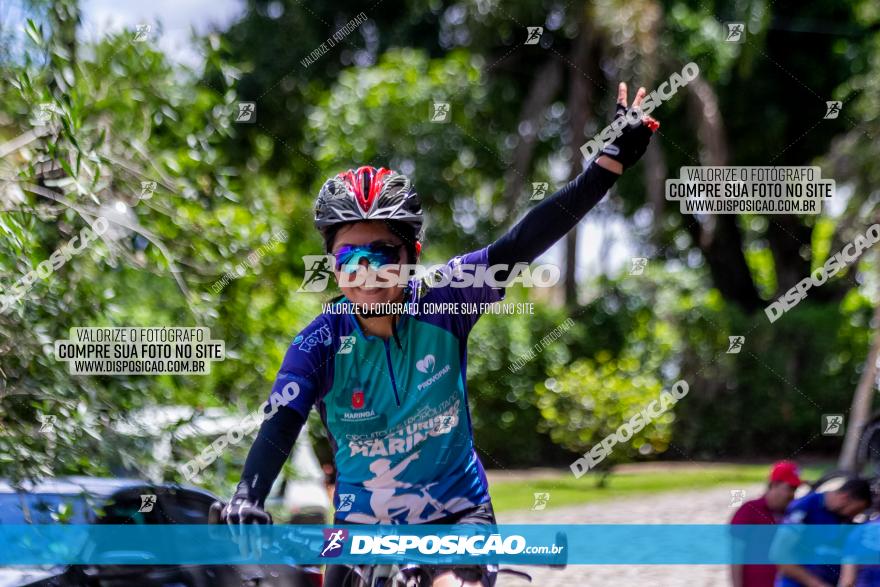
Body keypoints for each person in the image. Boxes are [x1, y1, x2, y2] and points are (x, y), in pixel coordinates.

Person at [214, 82, 659, 587]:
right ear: (333, 268)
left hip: (455, 515)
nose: (367, 274)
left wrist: (605, 169)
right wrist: (249, 495)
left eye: (381, 256)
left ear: (412, 254)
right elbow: (281, 422)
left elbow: (522, 241)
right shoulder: (317, 345)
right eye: (349, 260)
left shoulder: (446, 299)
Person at [773, 478, 873, 587]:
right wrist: (816, 584)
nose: (853, 517)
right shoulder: (804, 508)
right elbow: (780, 555)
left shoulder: (844, 519)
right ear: (845, 498)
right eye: (855, 511)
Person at [730, 461, 803, 587]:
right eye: (789, 488)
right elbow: (736, 554)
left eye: (795, 489)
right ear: (774, 485)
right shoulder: (749, 510)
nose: (792, 494)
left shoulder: (795, 513)